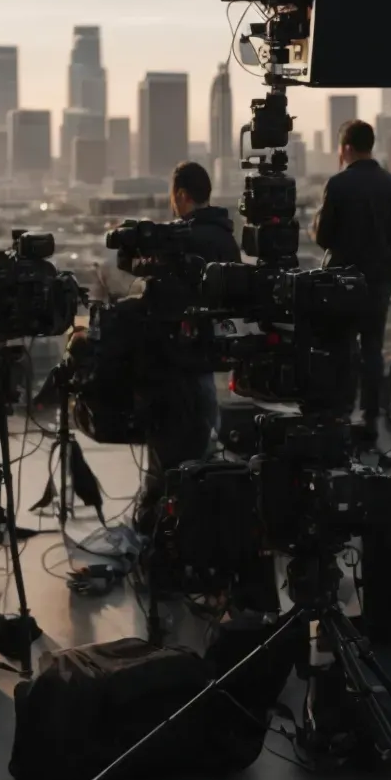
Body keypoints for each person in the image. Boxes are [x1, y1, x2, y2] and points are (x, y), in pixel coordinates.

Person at [132, 161, 242, 534]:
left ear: (181, 195)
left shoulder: (182, 240)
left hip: (173, 364)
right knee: (201, 458)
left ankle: (160, 533)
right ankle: (197, 534)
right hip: (208, 363)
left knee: (165, 465)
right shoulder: (226, 239)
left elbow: (156, 294)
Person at [313, 120, 391, 437]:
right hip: (378, 281)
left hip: (342, 282)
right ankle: (370, 416)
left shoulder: (338, 185)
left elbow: (324, 237)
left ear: (346, 149)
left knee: (341, 347)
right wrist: (386, 270)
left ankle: (341, 413)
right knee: (372, 349)